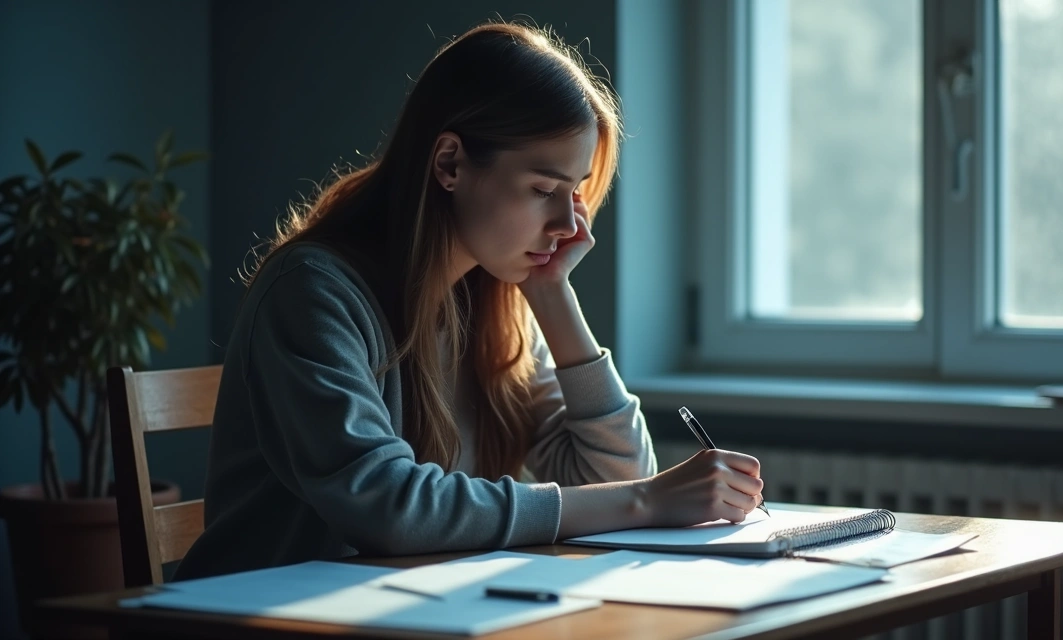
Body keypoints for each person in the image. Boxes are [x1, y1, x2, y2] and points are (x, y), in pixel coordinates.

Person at [173, 20, 765, 581]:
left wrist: (551, 293)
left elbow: (614, 476)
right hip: (260, 618)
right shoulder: (312, 293)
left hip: (410, 610)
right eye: (542, 189)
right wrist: (643, 501)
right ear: (450, 162)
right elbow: (388, 506)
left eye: (575, 192)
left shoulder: (493, 301)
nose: (567, 223)